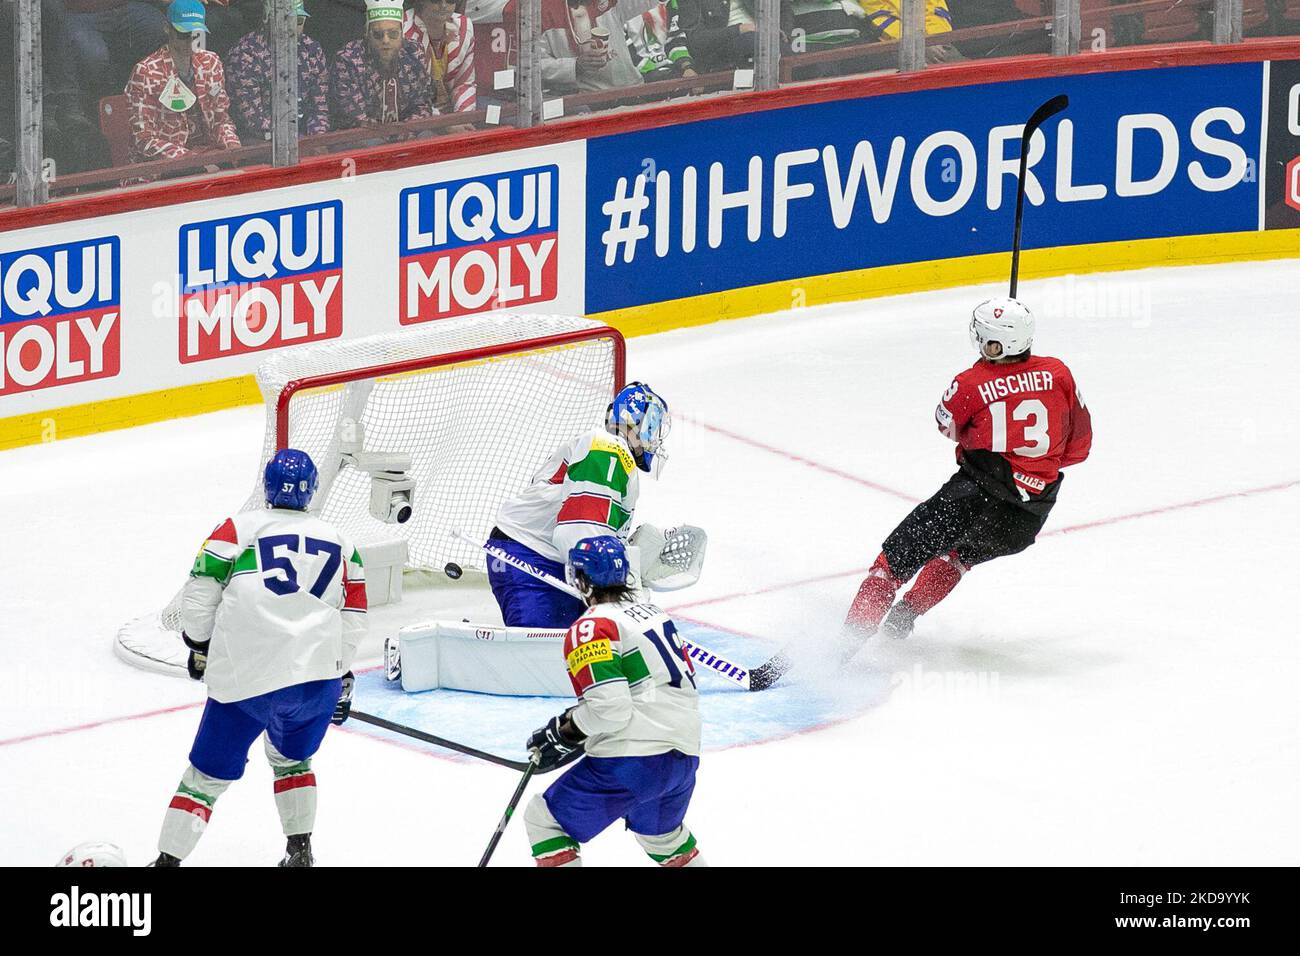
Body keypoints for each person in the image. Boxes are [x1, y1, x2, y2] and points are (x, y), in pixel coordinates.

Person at [151, 449, 367, 867]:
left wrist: (200, 647)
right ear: (311, 492)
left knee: (204, 780)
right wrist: (337, 675)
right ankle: (300, 853)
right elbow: (354, 619)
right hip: (314, 684)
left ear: (268, 487)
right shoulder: (344, 544)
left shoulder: (237, 528)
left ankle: (166, 864)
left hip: (246, 678)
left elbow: (198, 599)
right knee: (292, 759)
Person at [842, 297, 1092, 641]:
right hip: (1030, 513)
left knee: (892, 565)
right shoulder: (1059, 374)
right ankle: (906, 615)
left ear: (995, 344)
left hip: (971, 498)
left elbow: (946, 426)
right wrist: (1030, 469)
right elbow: (1079, 447)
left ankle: (843, 646)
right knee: (958, 557)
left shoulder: (972, 382)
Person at [522, 535, 705, 867]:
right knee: (662, 838)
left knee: (545, 820)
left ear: (580, 578)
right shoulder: (653, 614)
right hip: (684, 758)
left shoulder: (592, 626)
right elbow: (646, 692)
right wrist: (574, 722)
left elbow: (610, 710)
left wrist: (568, 731)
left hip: (635, 761)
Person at [488, 381, 670, 628]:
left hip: (552, 560)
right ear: (643, 423)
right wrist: (621, 593)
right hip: (528, 558)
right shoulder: (608, 448)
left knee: (579, 654)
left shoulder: (613, 454)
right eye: (655, 427)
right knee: (542, 657)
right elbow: (578, 533)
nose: (655, 438)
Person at [124, 0, 242, 162]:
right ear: (167, 28)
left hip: (210, 156)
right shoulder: (146, 72)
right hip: (161, 167)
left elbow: (221, 120)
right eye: (183, 34)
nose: (190, 41)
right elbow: (143, 139)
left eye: (196, 34)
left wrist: (232, 147)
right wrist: (192, 160)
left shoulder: (212, 62)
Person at [226, 0, 332, 140]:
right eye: (285, 19)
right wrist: (297, 140)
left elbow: (320, 107)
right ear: (268, 18)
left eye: (298, 21)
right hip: (261, 140)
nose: (292, 27)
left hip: (305, 136)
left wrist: (317, 140)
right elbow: (253, 120)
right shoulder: (245, 55)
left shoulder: (312, 49)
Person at [332, 0, 436, 128]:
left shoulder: (414, 52)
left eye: (393, 34)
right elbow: (356, 117)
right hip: (363, 136)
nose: (385, 40)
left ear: (402, 34)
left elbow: (423, 104)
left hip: (408, 131)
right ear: (367, 34)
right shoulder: (348, 59)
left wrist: (406, 130)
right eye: (378, 34)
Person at [503, 0, 644, 95]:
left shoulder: (610, 3)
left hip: (631, 91)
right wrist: (574, 66)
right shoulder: (535, 9)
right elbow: (527, 65)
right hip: (582, 102)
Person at [403, 0, 476, 114]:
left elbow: (464, 83)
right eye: (436, 0)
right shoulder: (402, 29)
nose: (443, 5)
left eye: (450, 0)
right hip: (415, 118)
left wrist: (462, 118)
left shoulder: (464, 26)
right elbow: (408, 97)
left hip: (451, 112)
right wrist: (444, 125)